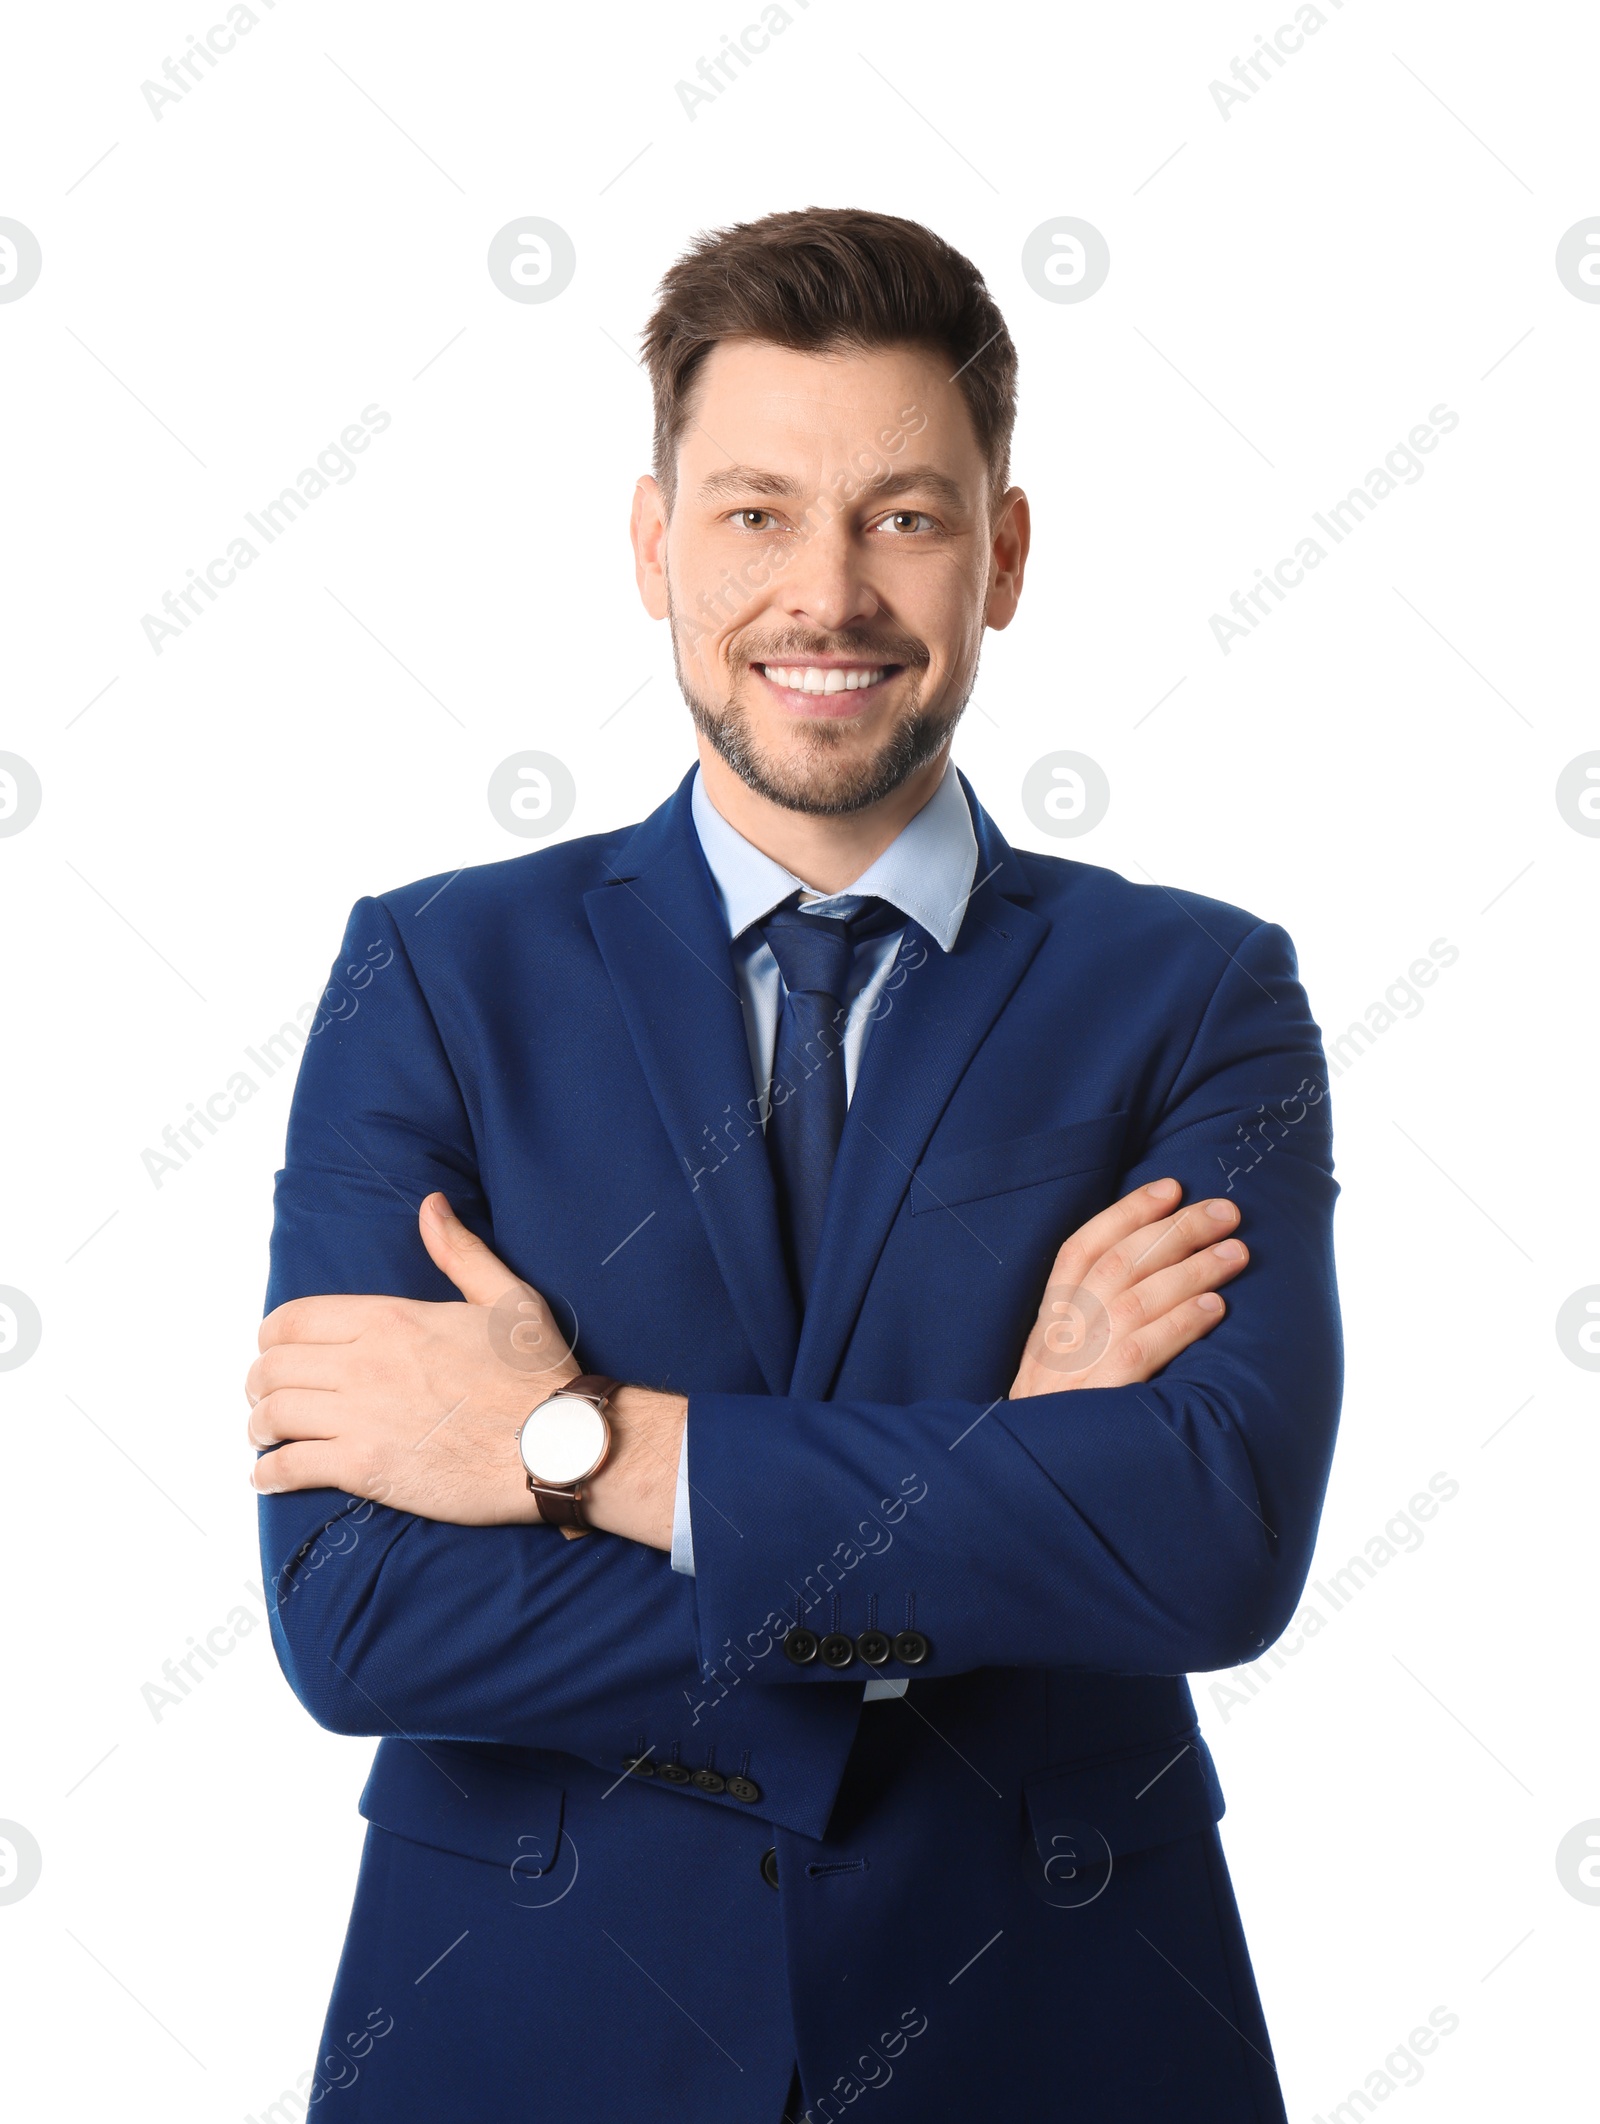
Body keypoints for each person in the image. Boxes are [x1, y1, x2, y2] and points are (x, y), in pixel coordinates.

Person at [248, 206, 1341, 2122]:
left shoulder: (1196, 994)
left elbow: (1208, 1543)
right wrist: (1005, 1498)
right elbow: (354, 1606)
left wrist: (576, 1449)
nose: (824, 595)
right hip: (529, 2028)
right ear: (654, 542)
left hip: (1062, 2020)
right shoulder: (431, 974)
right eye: (755, 512)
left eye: (904, 517)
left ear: (1002, 557)